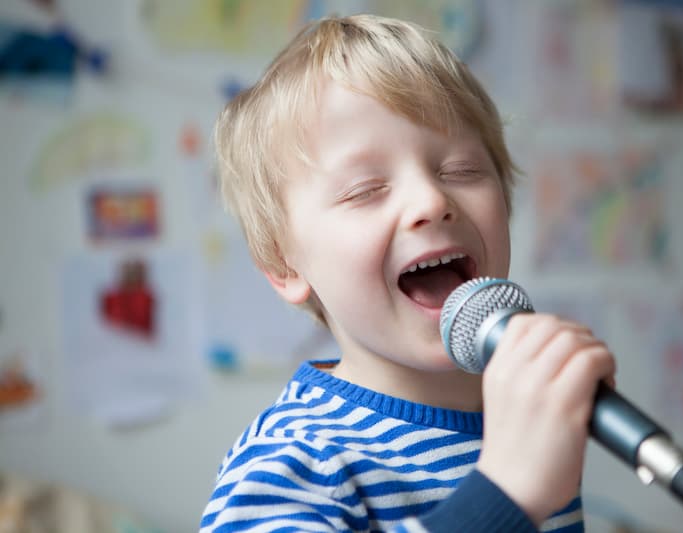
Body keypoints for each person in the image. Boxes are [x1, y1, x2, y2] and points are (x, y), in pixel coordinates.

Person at [200, 14, 615, 533]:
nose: (432, 200)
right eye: (365, 189)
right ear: (285, 266)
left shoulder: (524, 413)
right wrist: (504, 495)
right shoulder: (294, 461)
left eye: (461, 170)